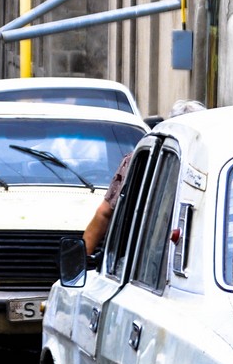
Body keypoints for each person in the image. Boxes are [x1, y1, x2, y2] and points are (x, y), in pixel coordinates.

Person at [82, 99, 207, 254]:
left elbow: (105, 213)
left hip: (144, 259)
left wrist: (80, 261)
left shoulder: (139, 159)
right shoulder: (213, 165)